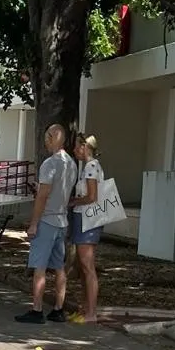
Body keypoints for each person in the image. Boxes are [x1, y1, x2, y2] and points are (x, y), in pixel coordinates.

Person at [15, 123, 77, 323]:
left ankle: (37, 309)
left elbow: (43, 195)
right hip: (62, 220)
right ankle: (58, 308)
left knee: (39, 266)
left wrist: (33, 223)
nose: (44, 141)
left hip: (48, 219)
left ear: (51, 137)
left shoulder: (49, 164)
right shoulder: (72, 164)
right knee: (59, 266)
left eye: (46, 137)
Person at [68, 133, 104, 324]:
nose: (74, 151)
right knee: (83, 267)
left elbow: (92, 197)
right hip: (83, 218)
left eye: (76, 147)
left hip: (87, 219)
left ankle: (91, 313)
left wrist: (73, 202)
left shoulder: (91, 167)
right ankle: (85, 309)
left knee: (87, 266)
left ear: (84, 147)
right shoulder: (89, 167)